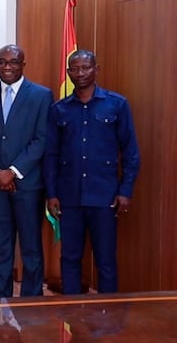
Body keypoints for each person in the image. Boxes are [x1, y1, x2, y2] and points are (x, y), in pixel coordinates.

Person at [44, 49, 139, 294]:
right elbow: (51, 154)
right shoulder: (59, 109)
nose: (80, 73)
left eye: (86, 67)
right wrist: (52, 193)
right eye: (74, 69)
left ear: (96, 69)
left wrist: (125, 190)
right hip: (69, 197)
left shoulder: (117, 104)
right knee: (70, 258)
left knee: (106, 261)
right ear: (68, 73)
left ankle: (107, 318)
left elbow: (130, 152)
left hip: (105, 196)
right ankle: (72, 315)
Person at [0, 44, 53, 298]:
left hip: (27, 184)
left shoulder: (41, 95)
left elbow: (42, 138)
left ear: (23, 65)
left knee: (30, 246)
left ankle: (31, 299)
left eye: (13, 62)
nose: (7, 67)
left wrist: (14, 171)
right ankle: (2, 296)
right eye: (2, 62)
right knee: (2, 245)